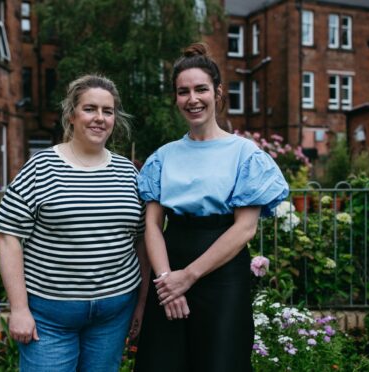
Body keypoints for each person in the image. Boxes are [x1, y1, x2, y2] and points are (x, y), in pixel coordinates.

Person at [134, 43, 289, 372]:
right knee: (162, 362)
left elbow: (244, 228)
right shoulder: (163, 157)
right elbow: (152, 226)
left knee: (221, 361)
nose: (192, 99)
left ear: (217, 93)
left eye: (201, 89)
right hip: (169, 266)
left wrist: (187, 278)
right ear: (176, 98)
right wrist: (166, 282)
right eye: (183, 91)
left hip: (222, 275)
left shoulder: (245, 155)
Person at [0, 74, 149, 372]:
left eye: (108, 111)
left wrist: (140, 302)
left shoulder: (128, 173)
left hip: (113, 314)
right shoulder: (41, 167)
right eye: (90, 109)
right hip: (49, 317)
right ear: (72, 115)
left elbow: (141, 240)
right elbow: (8, 236)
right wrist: (20, 309)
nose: (99, 118)